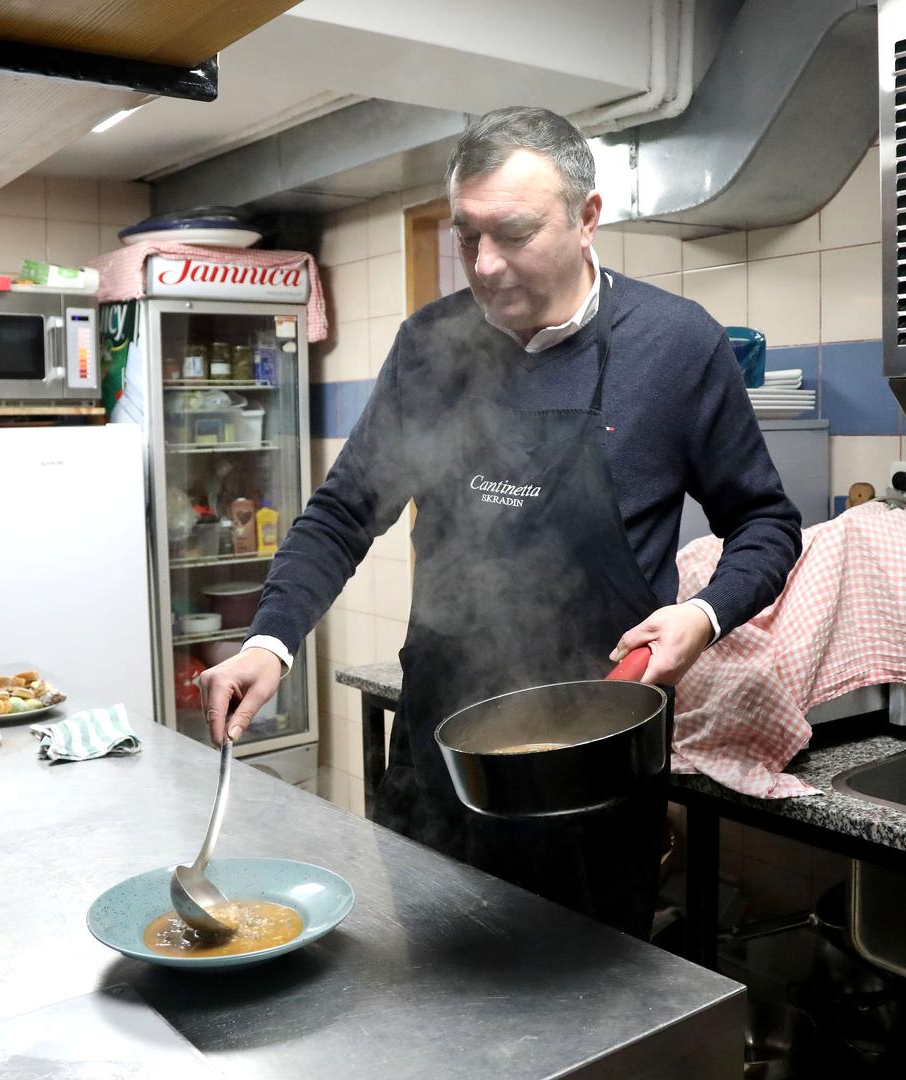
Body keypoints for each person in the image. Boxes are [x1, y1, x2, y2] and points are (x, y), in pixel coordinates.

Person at [199, 106, 802, 938]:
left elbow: (766, 523)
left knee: (584, 1002)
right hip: (438, 739)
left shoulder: (673, 345)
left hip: (594, 747)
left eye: (512, 234)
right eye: (465, 236)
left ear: (588, 219)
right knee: (429, 985)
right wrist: (269, 641)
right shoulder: (429, 345)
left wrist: (702, 616)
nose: (483, 266)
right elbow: (344, 511)